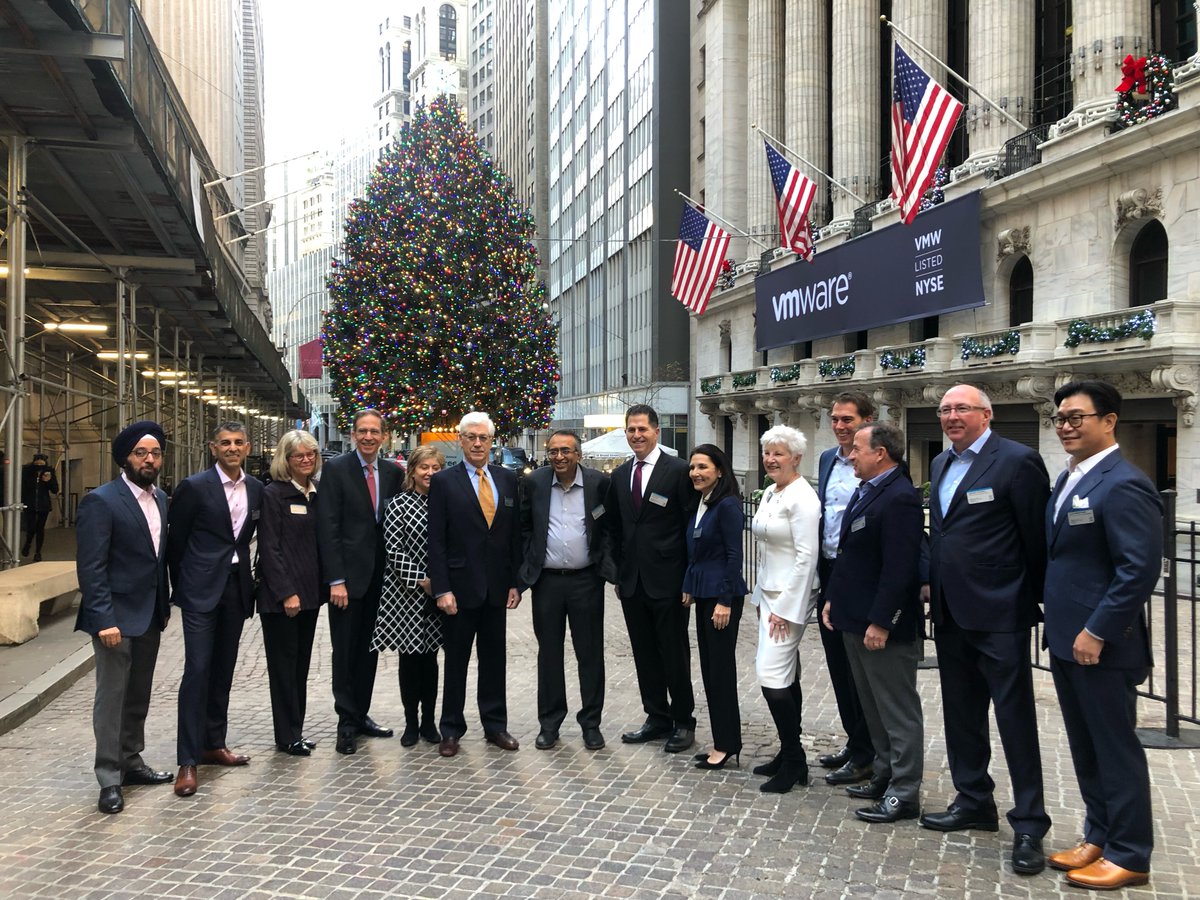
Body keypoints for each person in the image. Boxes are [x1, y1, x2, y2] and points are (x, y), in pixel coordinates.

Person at [920, 384, 1051, 875]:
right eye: (946, 410)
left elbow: (1036, 539)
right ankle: (973, 799)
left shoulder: (1017, 460)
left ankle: (1031, 824)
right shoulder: (939, 464)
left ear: (987, 414)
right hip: (952, 614)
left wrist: (1029, 599)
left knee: (1015, 720)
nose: (952, 416)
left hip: (1001, 614)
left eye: (962, 408)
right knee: (961, 714)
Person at [1043, 380, 1161, 891]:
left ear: (1109, 421)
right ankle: (1099, 835)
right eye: (1061, 419)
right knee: (1085, 745)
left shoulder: (1124, 482)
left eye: (1076, 418)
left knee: (1115, 748)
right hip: (1068, 639)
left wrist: (1096, 630)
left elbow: (1137, 569)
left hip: (1101, 644)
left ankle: (1130, 853)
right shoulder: (1070, 478)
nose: (1066, 427)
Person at [822, 423, 924, 824]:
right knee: (873, 706)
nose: (849, 456)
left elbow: (900, 569)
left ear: (880, 453)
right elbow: (849, 555)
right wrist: (834, 600)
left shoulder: (899, 497)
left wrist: (882, 621)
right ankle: (884, 773)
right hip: (853, 617)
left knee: (897, 709)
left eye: (858, 450)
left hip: (881, 627)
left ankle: (905, 789)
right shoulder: (869, 491)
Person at [75, 421, 173, 813]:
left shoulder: (162, 498)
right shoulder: (102, 501)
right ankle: (109, 777)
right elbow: (92, 567)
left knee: (138, 695)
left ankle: (132, 761)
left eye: (155, 453)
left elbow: (157, 559)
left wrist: (163, 606)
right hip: (114, 618)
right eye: (140, 453)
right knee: (111, 698)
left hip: (149, 614)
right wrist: (103, 620)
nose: (149, 460)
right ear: (125, 458)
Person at [168, 421, 263, 797]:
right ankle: (187, 760)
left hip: (235, 591)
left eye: (238, 442)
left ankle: (213, 743)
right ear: (213, 448)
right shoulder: (193, 487)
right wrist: (185, 584)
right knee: (198, 670)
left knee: (223, 669)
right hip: (199, 591)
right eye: (225, 442)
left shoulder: (256, 488)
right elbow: (176, 543)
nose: (232, 448)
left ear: (248, 447)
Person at [427, 412, 523, 757]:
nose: (478, 443)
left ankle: (495, 726)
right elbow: (435, 539)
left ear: (492, 440)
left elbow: (513, 537)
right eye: (471, 437)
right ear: (461, 439)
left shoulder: (508, 480)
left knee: (494, 660)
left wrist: (515, 583)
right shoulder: (443, 482)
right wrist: (442, 588)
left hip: (496, 588)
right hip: (458, 589)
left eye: (483, 437)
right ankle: (450, 729)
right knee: (456, 661)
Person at [607, 404, 696, 753]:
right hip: (632, 583)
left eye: (642, 429)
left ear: (657, 432)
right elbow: (614, 527)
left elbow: (690, 527)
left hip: (669, 582)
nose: (636, 435)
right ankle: (656, 717)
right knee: (644, 653)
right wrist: (616, 571)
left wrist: (688, 578)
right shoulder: (620, 475)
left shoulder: (678, 471)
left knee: (674, 653)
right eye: (631, 430)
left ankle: (684, 721)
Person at [518, 430, 615, 751]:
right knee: (549, 654)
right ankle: (550, 723)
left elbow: (611, 529)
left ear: (578, 454)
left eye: (566, 451)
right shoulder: (535, 483)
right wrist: (524, 571)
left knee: (590, 653)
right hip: (547, 582)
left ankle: (591, 723)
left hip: (586, 581)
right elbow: (524, 528)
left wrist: (607, 567)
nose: (559, 457)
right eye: (553, 451)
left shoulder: (599, 484)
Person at [316, 408, 403, 755]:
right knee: (346, 652)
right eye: (362, 431)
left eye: (374, 432)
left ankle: (362, 714)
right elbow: (328, 527)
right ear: (353, 435)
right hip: (347, 583)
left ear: (384, 436)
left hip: (382, 581)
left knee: (370, 651)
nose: (368, 437)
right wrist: (335, 579)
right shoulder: (336, 470)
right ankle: (346, 723)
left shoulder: (393, 473)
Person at [749, 425, 820, 793]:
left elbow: (807, 558)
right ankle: (787, 752)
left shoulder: (803, 498)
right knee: (786, 675)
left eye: (779, 453)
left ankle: (795, 760)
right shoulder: (772, 493)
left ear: (796, 457)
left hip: (790, 599)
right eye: (767, 452)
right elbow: (766, 551)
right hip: (770, 594)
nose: (771, 459)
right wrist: (762, 599)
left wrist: (785, 609)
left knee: (771, 676)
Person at [815, 392, 877, 785]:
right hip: (829, 571)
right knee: (838, 665)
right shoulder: (825, 460)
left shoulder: (878, 458)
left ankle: (870, 752)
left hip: (862, 575)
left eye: (848, 420)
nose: (840, 426)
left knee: (863, 673)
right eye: (835, 419)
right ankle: (856, 744)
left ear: (868, 421)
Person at [257, 430, 328, 757]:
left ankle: (295, 730)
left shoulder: (315, 493)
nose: (306, 460)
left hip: (309, 597)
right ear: (285, 460)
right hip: (283, 600)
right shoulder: (274, 495)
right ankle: (286, 736)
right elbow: (269, 549)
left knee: (299, 667)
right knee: (284, 669)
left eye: (311, 455)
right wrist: (287, 593)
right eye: (299, 455)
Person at [372, 445, 446, 747]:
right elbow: (393, 548)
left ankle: (429, 721)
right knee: (410, 660)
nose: (429, 473)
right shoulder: (397, 504)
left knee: (431, 661)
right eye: (424, 467)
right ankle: (411, 722)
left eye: (435, 468)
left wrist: (440, 582)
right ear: (412, 471)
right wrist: (421, 580)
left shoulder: (446, 503)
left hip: (440, 593)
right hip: (406, 595)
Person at [683, 444, 748, 771]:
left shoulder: (727, 506)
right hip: (705, 594)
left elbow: (734, 556)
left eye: (703, 467)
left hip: (723, 598)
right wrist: (689, 587)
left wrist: (724, 601)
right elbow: (699, 550)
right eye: (693, 467)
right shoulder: (704, 502)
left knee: (720, 671)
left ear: (719, 470)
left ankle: (727, 744)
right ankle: (723, 739)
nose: (695, 472)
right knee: (710, 668)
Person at [21, 451, 59, 561]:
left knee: (40, 528)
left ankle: (38, 552)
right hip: (30, 503)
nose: (39, 467)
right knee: (31, 527)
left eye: (41, 465)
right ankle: (28, 544)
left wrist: (49, 481)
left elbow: (55, 489)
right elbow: (23, 488)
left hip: (43, 504)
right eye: (37, 465)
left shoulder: (49, 473)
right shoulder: (27, 473)